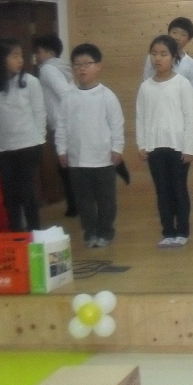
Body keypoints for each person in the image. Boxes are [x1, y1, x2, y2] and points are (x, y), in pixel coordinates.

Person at [57, 43, 124, 248]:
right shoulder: (68, 97)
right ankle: (90, 232)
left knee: (106, 200)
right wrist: (61, 150)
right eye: (77, 65)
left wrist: (117, 148)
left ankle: (106, 232)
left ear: (98, 66)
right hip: (77, 160)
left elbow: (117, 124)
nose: (82, 69)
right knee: (83, 200)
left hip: (102, 158)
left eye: (87, 64)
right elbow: (61, 126)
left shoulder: (107, 96)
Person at [135, 35, 193, 248]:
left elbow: (190, 117)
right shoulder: (145, 87)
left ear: (173, 57)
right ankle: (168, 231)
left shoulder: (182, 84)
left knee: (179, 189)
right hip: (155, 147)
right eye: (154, 54)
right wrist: (142, 145)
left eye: (163, 54)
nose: (158, 58)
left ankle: (183, 231)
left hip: (178, 147)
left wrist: (189, 148)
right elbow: (141, 117)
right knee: (162, 191)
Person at [0, 39, 46, 231]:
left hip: (29, 145)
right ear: (1, 58)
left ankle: (34, 232)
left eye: (21, 56)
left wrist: (39, 139)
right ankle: (15, 234)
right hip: (4, 147)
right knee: (10, 195)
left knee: (27, 192)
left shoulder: (30, 82)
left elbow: (39, 112)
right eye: (15, 56)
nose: (20, 60)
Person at [32, 33, 76, 216]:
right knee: (69, 166)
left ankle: (74, 206)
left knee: (65, 166)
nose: (36, 56)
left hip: (61, 125)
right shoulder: (61, 67)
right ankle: (75, 204)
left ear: (49, 52)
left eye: (39, 52)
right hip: (67, 123)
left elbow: (64, 94)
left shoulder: (48, 69)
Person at [141, 17, 193, 96]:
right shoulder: (152, 58)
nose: (177, 37)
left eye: (183, 34)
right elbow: (146, 82)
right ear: (169, 33)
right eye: (174, 32)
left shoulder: (191, 64)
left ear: (189, 39)